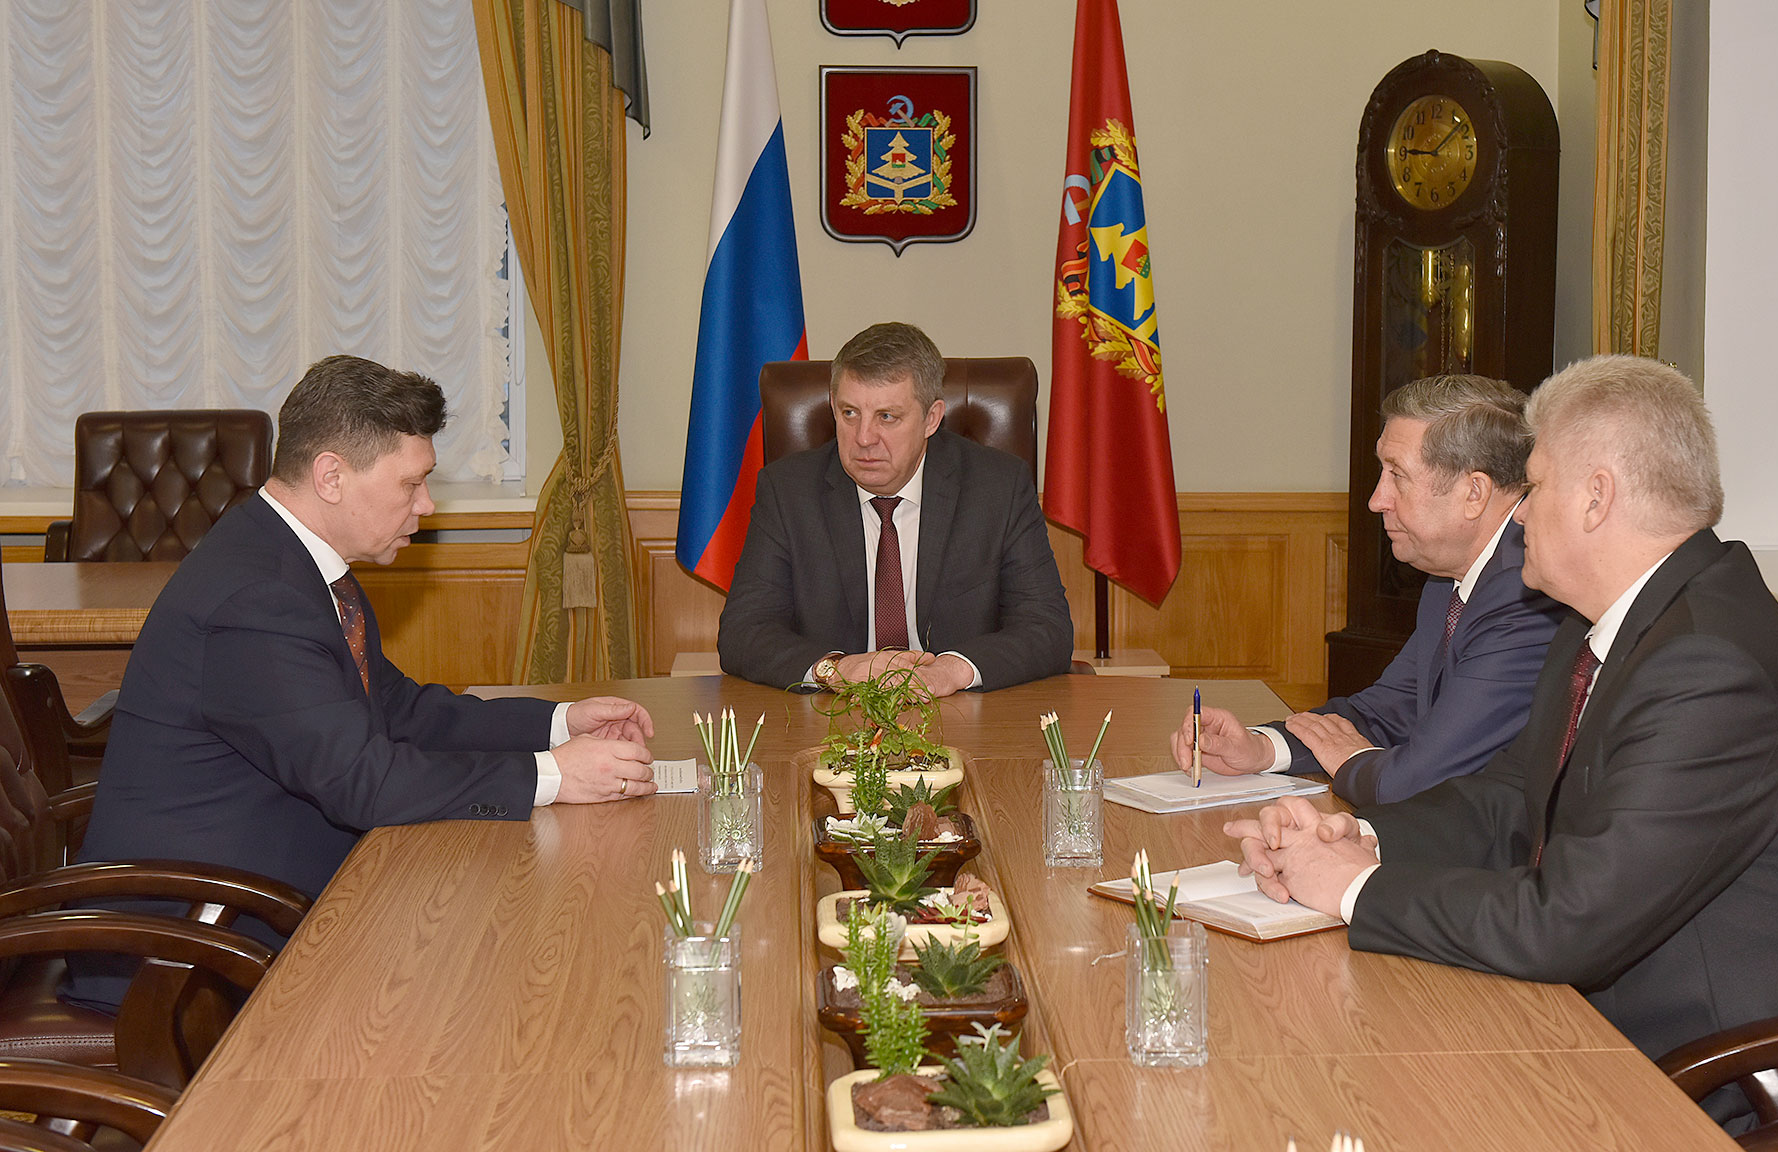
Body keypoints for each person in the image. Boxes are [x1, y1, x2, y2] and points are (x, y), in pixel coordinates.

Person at [1228, 355, 1778, 1131]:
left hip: (1763, 1090)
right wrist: (1358, 838)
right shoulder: (1607, 625)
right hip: (1629, 1036)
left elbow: (1569, 923)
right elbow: (1507, 800)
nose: (1519, 515)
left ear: (1597, 497)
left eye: (1535, 485)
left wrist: (1354, 889)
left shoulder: (1710, 666)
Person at [73, 355, 657, 996]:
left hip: (272, 896)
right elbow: (363, 782)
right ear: (331, 476)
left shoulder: (297, 564)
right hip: (188, 946)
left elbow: (399, 710)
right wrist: (554, 776)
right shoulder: (256, 598)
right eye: (412, 484)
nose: (427, 505)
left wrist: (558, 723)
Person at [1171, 375, 1565, 804]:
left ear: (1474, 492)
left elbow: (1418, 778)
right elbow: (1388, 710)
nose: (1377, 500)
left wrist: (1350, 759)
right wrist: (1262, 748)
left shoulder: (1527, 595)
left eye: (1397, 475)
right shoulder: (1449, 576)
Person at [717, 322, 1073, 695]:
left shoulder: (998, 487)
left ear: (931, 419)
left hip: (960, 712)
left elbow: (1047, 627)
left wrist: (951, 671)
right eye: (849, 413)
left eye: (887, 416)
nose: (863, 438)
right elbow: (743, 631)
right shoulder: (789, 491)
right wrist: (836, 669)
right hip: (832, 715)